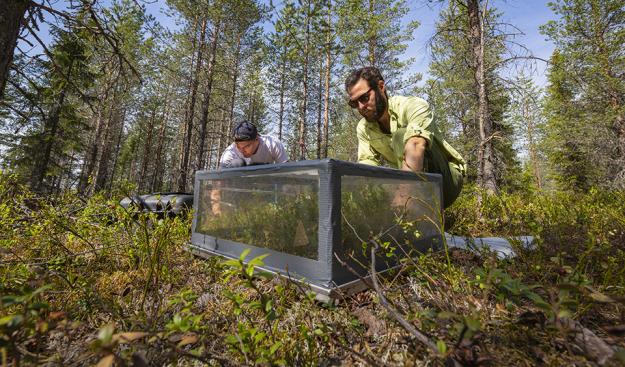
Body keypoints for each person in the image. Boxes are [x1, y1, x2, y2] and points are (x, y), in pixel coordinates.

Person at [345, 66, 466, 208]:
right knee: (363, 179)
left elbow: (416, 145)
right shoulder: (363, 128)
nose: (361, 107)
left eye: (364, 98)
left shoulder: (413, 105)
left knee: (401, 136)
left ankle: (415, 214)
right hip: (407, 179)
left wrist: (403, 197)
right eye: (354, 103)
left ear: (381, 86)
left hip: (446, 181)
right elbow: (367, 165)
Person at [219, 120, 288, 168]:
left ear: (257, 139)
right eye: (238, 146)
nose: (242, 150)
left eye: (247, 146)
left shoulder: (272, 143)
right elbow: (219, 181)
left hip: (267, 181)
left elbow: (286, 169)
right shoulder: (230, 153)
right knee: (237, 163)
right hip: (240, 184)